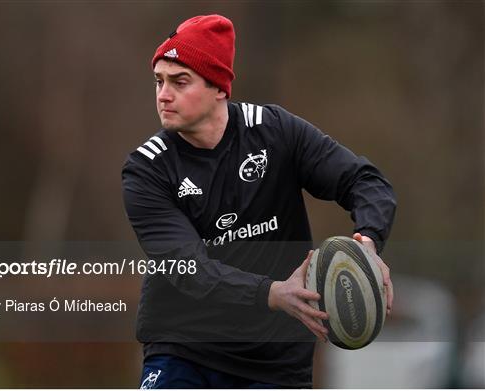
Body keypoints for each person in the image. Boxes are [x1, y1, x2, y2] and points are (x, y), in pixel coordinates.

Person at [122, 14, 396, 389]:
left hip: (276, 360)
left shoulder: (276, 132)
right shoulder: (147, 169)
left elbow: (365, 181)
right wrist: (271, 293)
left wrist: (368, 243)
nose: (163, 94)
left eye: (179, 81)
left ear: (219, 87)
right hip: (185, 350)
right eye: (159, 81)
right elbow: (190, 269)